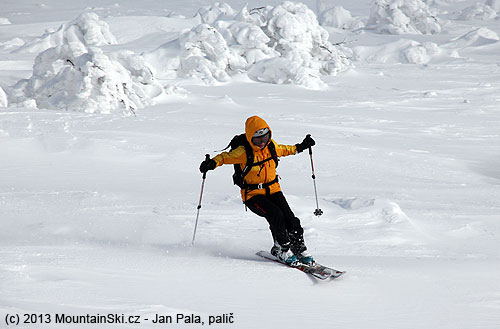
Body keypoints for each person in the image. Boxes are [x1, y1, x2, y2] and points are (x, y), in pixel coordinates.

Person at [199, 115, 316, 266]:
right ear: (250, 138)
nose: (262, 142)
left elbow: (285, 150)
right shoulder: (243, 152)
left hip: (273, 189)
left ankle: (299, 248)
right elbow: (224, 157)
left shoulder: (271, 146)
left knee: (290, 219)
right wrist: (211, 163)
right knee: (276, 215)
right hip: (253, 195)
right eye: (257, 139)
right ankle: (282, 249)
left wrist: (301, 146)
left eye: (265, 137)